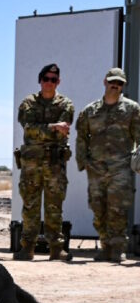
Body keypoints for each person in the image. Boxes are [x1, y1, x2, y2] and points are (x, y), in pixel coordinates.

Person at [75, 67, 140, 262]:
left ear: (123, 86)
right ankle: (105, 246)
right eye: (112, 81)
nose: (115, 85)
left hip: (121, 168)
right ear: (105, 82)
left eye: (119, 83)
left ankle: (118, 248)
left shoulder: (132, 109)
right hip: (96, 169)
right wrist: (83, 162)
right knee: (98, 208)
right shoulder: (90, 111)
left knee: (118, 209)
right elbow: (81, 138)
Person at [15, 63, 75, 261]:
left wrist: (44, 129)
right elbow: (28, 128)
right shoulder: (28, 103)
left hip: (55, 163)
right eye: (46, 79)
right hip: (31, 163)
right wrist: (53, 127)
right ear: (40, 80)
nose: (49, 83)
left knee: (54, 206)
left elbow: (63, 128)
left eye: (53, 80)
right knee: (30, 205)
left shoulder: (66, 104)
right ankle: (27, 247)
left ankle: (56, 248)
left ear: (58, 82)